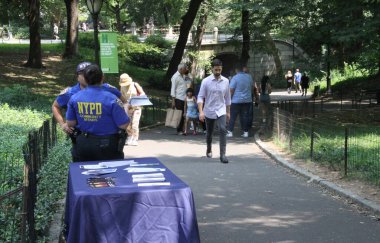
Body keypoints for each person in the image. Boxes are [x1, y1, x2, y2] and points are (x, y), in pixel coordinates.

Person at [52, 62, 126, 160]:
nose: (87, 75)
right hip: (83, 138)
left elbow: (124, 102)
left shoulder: (108, 89)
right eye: (82, 73)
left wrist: (121, 116)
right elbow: (55, 106)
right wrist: (62, 124)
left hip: (108, 138)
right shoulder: (70, 93)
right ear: (77, 76)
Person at [197, 59, 231, 164]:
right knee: (209, 133)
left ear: (221, 69)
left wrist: (228, 112)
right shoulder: (206, 81)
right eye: (216, 70)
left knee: (222, 129)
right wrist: (201, 112)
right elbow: (200, 97)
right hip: (209, 110)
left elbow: (228, 98)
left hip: (221, 110)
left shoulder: (226, 81)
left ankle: (223, 155)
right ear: (212, 69)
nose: (217, 72)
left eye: (219, 70)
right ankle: (209, 148)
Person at [227, 64, 254, 138]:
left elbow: (231, 90)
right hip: (247, 100)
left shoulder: (235, 78)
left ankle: (230, 132)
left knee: (233, 116)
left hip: (236, 101)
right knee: (245, 116)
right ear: (243, 69)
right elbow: (252, 87)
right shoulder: (249, 77)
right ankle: (245, 132)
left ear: (236, 70)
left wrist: (229, 99)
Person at [119, 73, 145, 146]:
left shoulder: (135, 85)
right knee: (128, 124)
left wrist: (135, 99)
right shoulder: (122, 87)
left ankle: (135, 138)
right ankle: (130, 136)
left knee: (135, 123)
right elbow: (122, 97)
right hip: (128, 107)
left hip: (137, 107)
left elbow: (143, 93)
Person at [170, 63, 191, 135]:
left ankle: (182, 129)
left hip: (185, 98)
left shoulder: (184, 76)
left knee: (184, 114)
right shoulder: (175, 77)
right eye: (186, 68)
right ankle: (179, 130)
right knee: (180, 114)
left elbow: (189, 84)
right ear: (181, 69)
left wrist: (188, 75)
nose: (186, 70)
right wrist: (173, 101)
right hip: (178, 98)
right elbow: (173, 89)